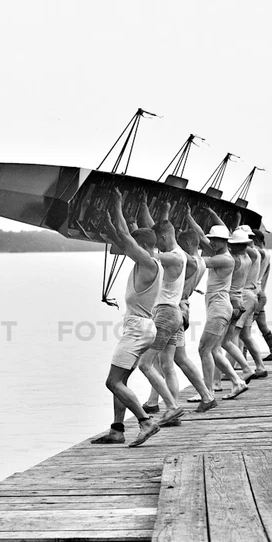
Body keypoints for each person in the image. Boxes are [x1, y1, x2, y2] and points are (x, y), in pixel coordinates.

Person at [90, 189, 164, 447]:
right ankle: (117, 430)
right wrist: (109, 222)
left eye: (133, 244)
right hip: (142, 327)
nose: (127, 248)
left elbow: (125, 236)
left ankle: (146, 422)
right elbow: (121, 236)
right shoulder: (147, 262)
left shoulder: (149, 263)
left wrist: (118, 204)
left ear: (142, 246)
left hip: (137, 330)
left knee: (112, 382)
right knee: (121, 381)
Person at [142, 210, 219, 416]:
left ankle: (172, 406)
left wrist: (132, 233)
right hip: (180, 310)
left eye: (159, 240)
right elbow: (163, 229)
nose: (157, 245)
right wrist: (165, 213)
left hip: (170, 311)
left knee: (156, 362)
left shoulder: (179, 258)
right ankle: (205, 396)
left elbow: (147, 254)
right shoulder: (195, 260)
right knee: (174, 360)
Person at [184, 209, 250, 400]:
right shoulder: (219, 252)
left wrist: (182, 250)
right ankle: (237, 382)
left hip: (219, 308)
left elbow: (196, 261)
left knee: (204, 349)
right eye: (211, 240)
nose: (211, 242)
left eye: (215, 240)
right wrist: (189, 217)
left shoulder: (224, 259)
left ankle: (209, 391)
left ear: (224, 242)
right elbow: (201, 237)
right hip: (218, 307)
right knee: (213, 349)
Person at [231, 225, 268, 381]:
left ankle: (231, 371)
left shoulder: (251, 253)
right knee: (245, 336)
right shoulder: (256, 253)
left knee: (233, 335)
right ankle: (260, 366)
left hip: (246, 295)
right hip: (253, 295)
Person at [253, 231, 272, 360]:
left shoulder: (260, 253)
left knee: (243, 329)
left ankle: (243, 355)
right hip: (261, 292)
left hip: (255, 293)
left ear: (256, 241)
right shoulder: (267, 253)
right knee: (262, 325)